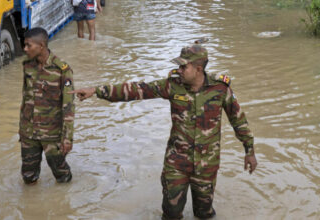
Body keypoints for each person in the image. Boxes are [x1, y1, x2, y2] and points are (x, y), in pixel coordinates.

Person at [71, 43, 258, 219]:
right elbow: (137, 89)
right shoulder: (172, 85)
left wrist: (249, 151)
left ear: (198, 69)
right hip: (176, 163)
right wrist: (97, 91)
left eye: (184, 67)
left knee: (204, 214)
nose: (179, 70)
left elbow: (238, 119)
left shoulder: (220, 88)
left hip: (206, 165)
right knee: (171, 214)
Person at [19, 27, 75, 184]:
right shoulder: (27, 65)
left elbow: (69, 106)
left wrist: (67, 138)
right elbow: (25, 98)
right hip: (29, 132)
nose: (25, 49)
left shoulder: (62, 69)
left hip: (52, 134)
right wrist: (21, 129)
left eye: (29, 45)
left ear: (41, 46)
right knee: (28, 177)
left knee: (62, 176)